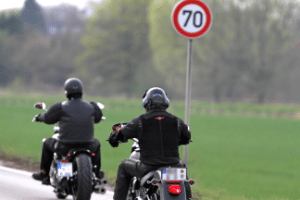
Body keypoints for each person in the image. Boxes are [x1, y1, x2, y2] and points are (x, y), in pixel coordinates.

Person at [108, 87, 192, 200]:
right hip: (173, 165)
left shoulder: (140, 121)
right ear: (165, 102)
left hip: (148, 167)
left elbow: (120, 135)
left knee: (123, 166)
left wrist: (114, 138)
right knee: (181, 169)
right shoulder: (176, 121)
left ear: (147, 102)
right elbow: (186, 138)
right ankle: (189, 198)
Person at [32, 78, 103, 185]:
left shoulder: (60, 107)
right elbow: (98, 118)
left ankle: (44, 174)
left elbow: (48, 118)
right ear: (81, 91)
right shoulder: (92, 106)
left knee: (47, 143)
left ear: (66, 92)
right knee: (97, 143)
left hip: (65, 146)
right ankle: (96, 174)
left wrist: (39, 117)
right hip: (88, 145)